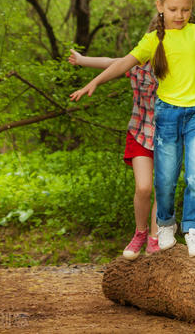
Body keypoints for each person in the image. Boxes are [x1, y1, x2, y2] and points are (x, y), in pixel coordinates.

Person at [70, 0, 195, 257]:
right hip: (155, 124)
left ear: (191, 9)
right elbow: (119, 64)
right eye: (173, 10)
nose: (180, 15)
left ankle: (179, 232)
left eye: (185, 10)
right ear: (160, 7)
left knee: (190, 177)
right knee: (157, 183)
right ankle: (148, 230)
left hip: (190, 115)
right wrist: (94, 80)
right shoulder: (149, 46)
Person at [68, 47, 159, 260]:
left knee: (162, 189)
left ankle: (155, 238)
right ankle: (140, 232)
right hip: (140, 131)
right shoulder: (137, 63)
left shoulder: (177, 65)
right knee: (144, 187)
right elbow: (111, 61)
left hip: (167, 135)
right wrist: (82, 59)